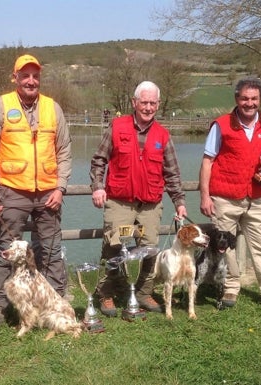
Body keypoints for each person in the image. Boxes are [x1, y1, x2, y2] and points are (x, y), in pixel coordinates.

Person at [0, 54, 72, 325]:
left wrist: (61, 188)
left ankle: (55, 302)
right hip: (12, 191)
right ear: (15, 77)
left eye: (35, 75)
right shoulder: (1, 105)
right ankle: (1, 305)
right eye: (25, 75)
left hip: (48, 193)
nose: (31, 81)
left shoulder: (53, 108)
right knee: (7, 251)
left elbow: (65, 151)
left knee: (51, 251)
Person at [89, 80, 187, 317]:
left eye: (153, 103)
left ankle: (143, 292)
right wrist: (97, 187)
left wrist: (180, 202)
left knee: (149, 250)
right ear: (134, 102)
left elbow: (172, 172)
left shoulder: (162, 136)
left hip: (149, 206)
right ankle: (107, 294)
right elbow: (99, 160)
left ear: (158, 104)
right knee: (113, 248)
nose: (148, 107)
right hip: (120, 202)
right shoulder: (117, 126)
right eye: (144, 102)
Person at [198, 77, 261, 314]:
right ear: (236, 99)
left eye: (254, 99)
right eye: (244, 98)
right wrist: (205, 196)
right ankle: (230, 288)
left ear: (260, 100)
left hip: (256, 198)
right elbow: (208, 161)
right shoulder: (221, 125)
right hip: (225, 197)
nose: (249, 103)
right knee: (224, 248)